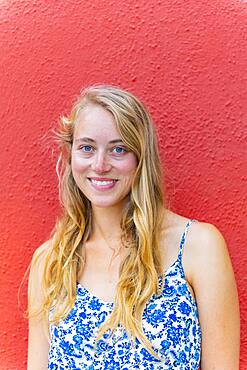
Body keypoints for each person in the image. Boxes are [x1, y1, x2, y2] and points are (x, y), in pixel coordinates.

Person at [27, 84, 240, 370]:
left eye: (118, 149)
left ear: (141, 158)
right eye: (87, 148)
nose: (100, 165)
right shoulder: (51, 262)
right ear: (71, 155)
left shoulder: (198, 247)